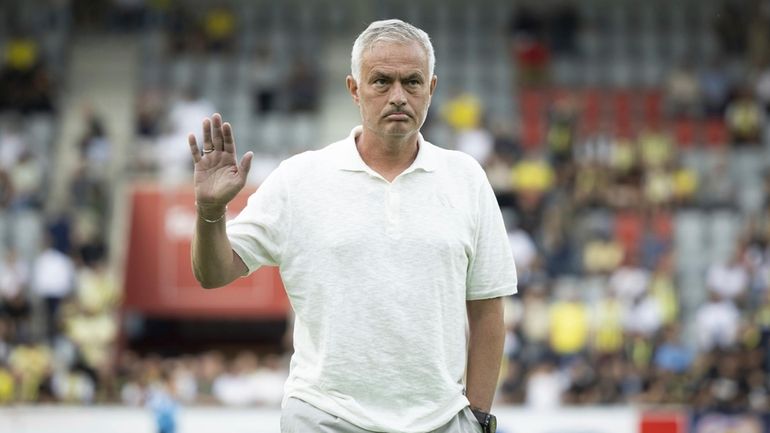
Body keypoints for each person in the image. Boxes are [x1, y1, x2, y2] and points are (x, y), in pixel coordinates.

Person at [187, 19, 517, 433]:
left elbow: (488, 310)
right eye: (381, 81)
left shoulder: (466, 178)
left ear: (431, 89)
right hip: (324, 417)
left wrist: (479, 418)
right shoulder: (300, 178)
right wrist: (210, 212)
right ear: (354, 89)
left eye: (412, 82)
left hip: (440, 421)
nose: (398, 96)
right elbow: (214, 273)